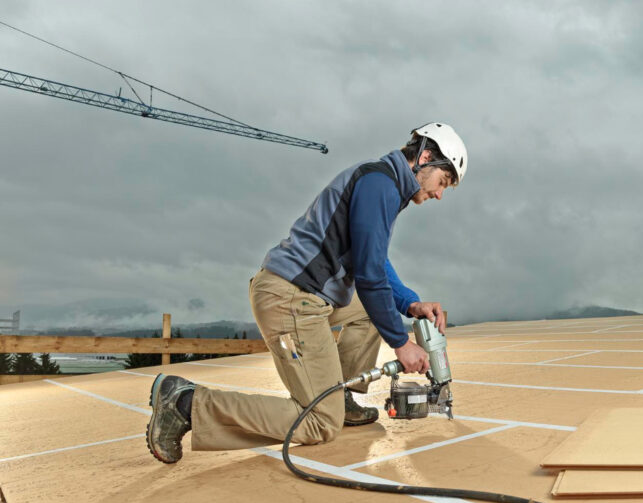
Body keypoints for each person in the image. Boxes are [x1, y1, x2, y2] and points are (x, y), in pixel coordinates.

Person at [145, 123, 467, 464]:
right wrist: (401, 344)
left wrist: (410, 303)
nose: (439, 194)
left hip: (301, 293)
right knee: (320, 423)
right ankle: (185, 403)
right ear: (425, 157)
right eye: (442, 182)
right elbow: (370, 276)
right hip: (290, 299)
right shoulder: (381, 185)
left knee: (374, 311)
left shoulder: (383, 182)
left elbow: (372, 261)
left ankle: (339, 395)